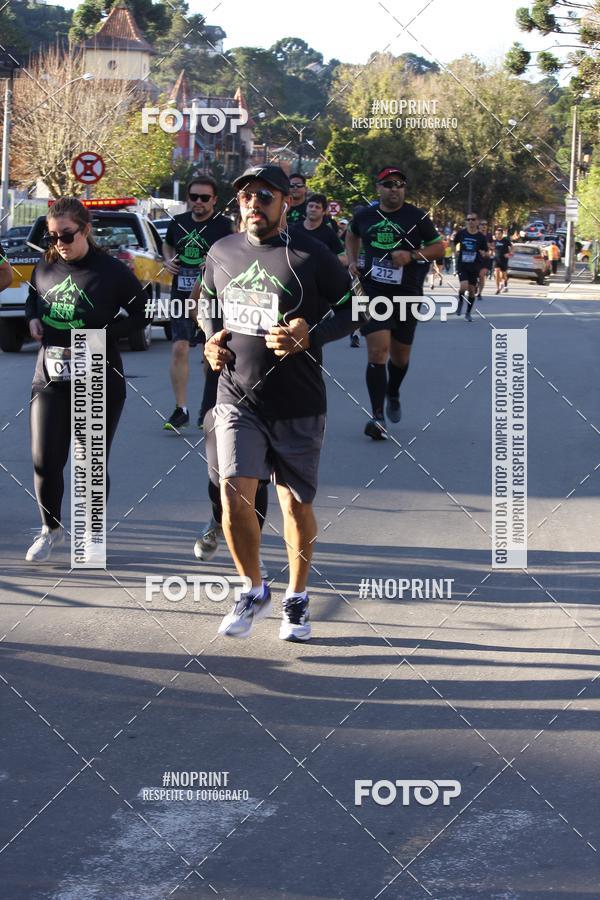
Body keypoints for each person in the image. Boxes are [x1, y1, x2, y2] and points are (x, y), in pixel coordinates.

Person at [199, 164, 356, 642]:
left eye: (264, 196)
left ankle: (297, 596)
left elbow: (354, 308)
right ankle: (252, 587)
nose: (253, 203)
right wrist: (209, 340)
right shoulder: (222, 251)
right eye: (245, 195)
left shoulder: (312, 255)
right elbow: (205, 303)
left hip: (297, 402)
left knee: (293, 505)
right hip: (235, 397)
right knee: (233, 493)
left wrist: (313, 334)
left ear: (285, 202)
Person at [24, 196, 148, 562]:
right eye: (51, 236)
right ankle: (50, 529)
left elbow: (143, 311)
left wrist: (106, 335)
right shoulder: (45, 267)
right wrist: (33, 318)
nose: (59, 243)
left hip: (98, 375)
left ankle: (92, 534)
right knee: (45, 461)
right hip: (49, 375)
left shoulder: (112, 271)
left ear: (86, 230)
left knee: (89, 461)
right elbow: (34, 299)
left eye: (66, 235)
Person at [345, 166, 443, 437]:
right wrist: (352, 260)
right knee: (378, 350)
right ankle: (377, 418)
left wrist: (412, 256)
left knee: (400, 358)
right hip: (371, 291)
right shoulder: (364, 215)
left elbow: (438, 247)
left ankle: (393, 391)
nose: (394, 189)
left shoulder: (416, 216)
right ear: (378, 188)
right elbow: (351, 234)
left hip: (407, 294)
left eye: (399, 184)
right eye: (388, 184)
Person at [162, 176, 232, 431]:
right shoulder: (178, 223)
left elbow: (234, 254)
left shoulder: (224, 226)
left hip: (211, 298)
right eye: (194, 197)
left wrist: (215, 266)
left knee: (208, 354)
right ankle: (181, 409)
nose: (198, 202)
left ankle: (210, 406)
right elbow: (168, 246)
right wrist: (167, 261)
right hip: (181, 294)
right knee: (179, 348)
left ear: (214, 199)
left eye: (204, 198)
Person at [290, 193, 347, 263]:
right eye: (310, 206)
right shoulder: (294, 229)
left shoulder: (329, 233)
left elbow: (344, 259)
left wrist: (324, 257)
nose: (313, 209)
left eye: (317, 207)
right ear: (306, 208)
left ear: (323, 212)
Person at [453, 213, 488, 322]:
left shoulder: (481, 237)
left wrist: (483, 253)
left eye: (473, 219)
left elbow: (485, 251)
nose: (470, 221)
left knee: (472, 291)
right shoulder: (461, 233)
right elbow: (453, 242)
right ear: (466, 221)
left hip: (474, 266)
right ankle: (460, 302)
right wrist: (455, 251)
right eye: (468, 219)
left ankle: (468, 313)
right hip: (463, 265)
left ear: (477, 221)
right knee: (463, 286)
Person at [493, 226, 512, 293]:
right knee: (497, 273)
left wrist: (509, 254)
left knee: (503, 274)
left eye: (498, 234)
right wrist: (492, 252)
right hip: (496, 260)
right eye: (496, 234)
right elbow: (493, 248)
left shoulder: (506, 240)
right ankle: (498, 288)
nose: (497, 235)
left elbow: (512, 247)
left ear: (502, 234)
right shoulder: (495, 241)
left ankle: (505, 285)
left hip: (504, 260)